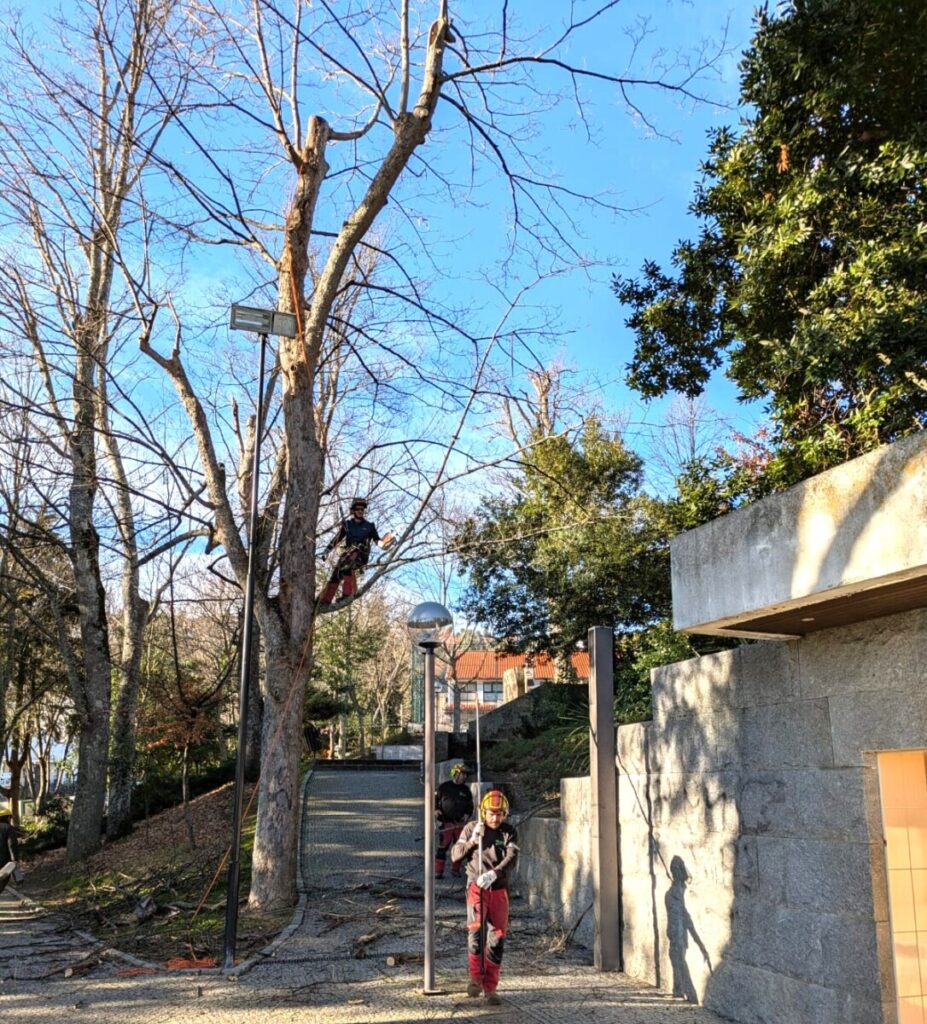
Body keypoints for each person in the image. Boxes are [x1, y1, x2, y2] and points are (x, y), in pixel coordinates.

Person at [451, 788, 519, 1005]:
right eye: (491, 813)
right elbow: (455, 855)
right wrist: (472, 841)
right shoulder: (472, 827)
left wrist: (496, 873)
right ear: (483, 812)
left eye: (499, 813)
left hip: (498, 889)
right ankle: (474, 979)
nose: (495, 817)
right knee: (475, 935)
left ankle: (491, 987)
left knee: (497, 937)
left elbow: (512, 856)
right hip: (476, 888)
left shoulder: (509, 832)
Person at [318, 497, 393, 607]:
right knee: (337, 573)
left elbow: (377, 540)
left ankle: (348, 593)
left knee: (348, 564)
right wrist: (326, 551)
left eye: (362, 509)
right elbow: (336, 539)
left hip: (361, 554)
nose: (360, 511)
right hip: (347, 554)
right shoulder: (347, 525)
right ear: (353, 511)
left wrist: (385, 544)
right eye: (358, 509)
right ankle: (325, 601)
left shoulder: (369, 526)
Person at [435, 762, 473, 879]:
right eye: (463, 774)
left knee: (459, 847)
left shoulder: (466, 790)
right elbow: (434, 800)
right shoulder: (444, 787)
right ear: (455, 773)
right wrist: (435, 810)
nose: (465, 777)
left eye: (466, 775)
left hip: (460, 824)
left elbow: (470, 805)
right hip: (445, 822)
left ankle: (455, 870)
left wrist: (467, 814)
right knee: (442, 847)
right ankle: (438, 871)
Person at [0, 805, 20, 897]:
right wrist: (14, 859)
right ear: (8, 817)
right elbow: (12, 844)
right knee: (2, 881)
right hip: (4, 862)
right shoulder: (8, 828)